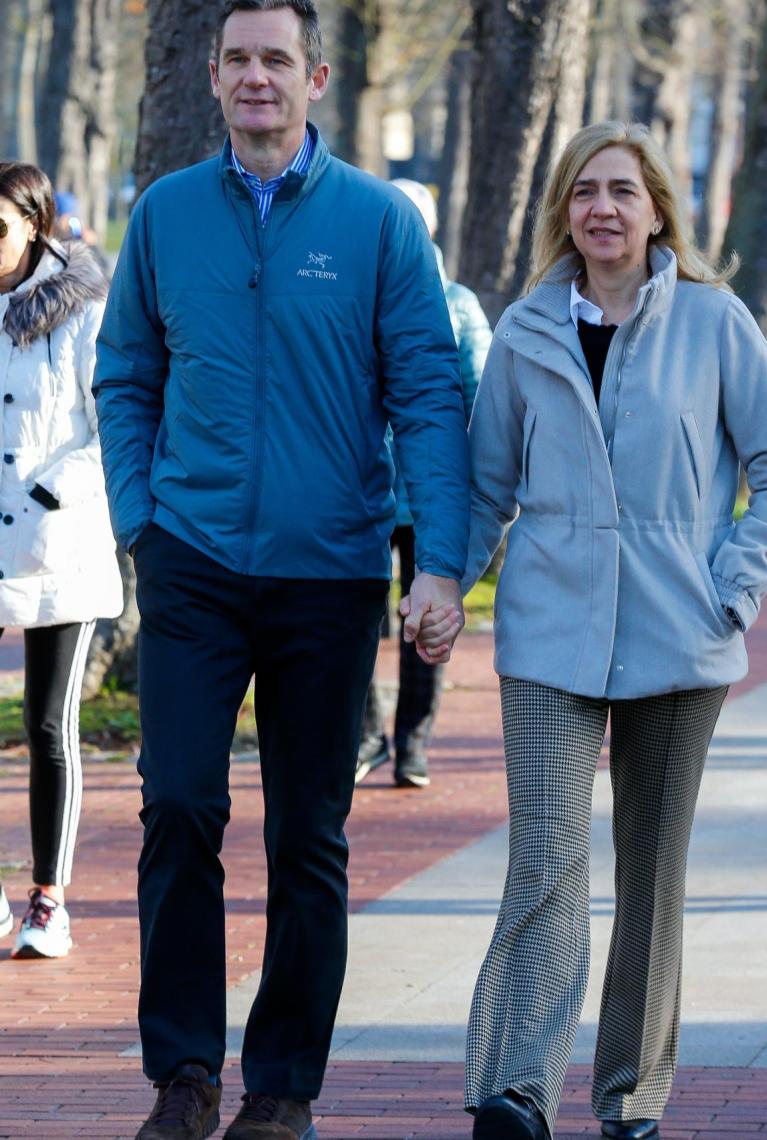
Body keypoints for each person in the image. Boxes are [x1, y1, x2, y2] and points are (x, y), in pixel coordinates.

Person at [92, 2, 468, 1138]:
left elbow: (431, 397)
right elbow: (125, 375)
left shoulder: (378, 224)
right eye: (238, 61)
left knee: (309, 835)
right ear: (211, 76)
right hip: (194, 563)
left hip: (330, 574)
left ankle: (284, 1089)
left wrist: (440, 561)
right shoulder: (164, 215)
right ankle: (185, 1077)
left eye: (277, 61)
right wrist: (138, 518)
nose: (258, 80)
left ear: (314, 75)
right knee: (180, 808)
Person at [416, 121, 767, 1140]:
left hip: (684, 640)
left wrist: (730, 586)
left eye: (623, 192)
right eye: (585, 191)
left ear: (655, 212)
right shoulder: (526, 331)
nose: (603, 207)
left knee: (651, 871)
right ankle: (515, 1088)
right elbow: (484, 484)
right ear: (565, 211)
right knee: (544, 859)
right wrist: (444, 580)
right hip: (550, 635)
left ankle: (631, 1096)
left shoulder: (717, 325)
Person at [0, 161, 123, 959]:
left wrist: (47, 498)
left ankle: (50, 897)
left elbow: (112, 424)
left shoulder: (84, 311)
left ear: (35, 226)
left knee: (49, 726)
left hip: (61, 550)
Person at [356, 178, 491, 788]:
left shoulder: (457, 303)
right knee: (354, 618)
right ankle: (366, 737)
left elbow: (481, 397)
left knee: (427, 622)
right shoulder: (356, 291)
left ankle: (412, 744)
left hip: (429, 498)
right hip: (360, 492)